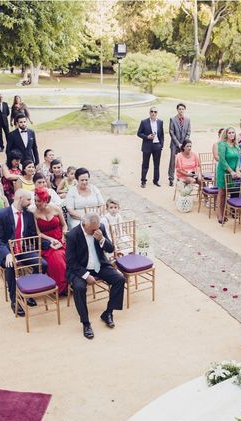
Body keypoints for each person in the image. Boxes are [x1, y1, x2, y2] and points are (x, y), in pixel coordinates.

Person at [66, 212, 125, 340]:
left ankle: (108, 312)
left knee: (119, 279)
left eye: (97, 228)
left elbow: (110, 249)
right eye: (93, 229)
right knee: (79, 288)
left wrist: (102, 239)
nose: (96, 230)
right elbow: (71, 261)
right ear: (84, 224)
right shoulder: (72, 235)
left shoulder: (100, 228)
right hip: (80, 269)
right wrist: (86, 275)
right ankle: (86, 323)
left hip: (99, 265)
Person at [0, 189, 48, 315]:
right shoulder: (2, 214)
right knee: (11, 266)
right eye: (28, 199)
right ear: (20, 198)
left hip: (22, 250)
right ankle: (15, 300)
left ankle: (29, 290)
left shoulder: (28, 215)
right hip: (6, 251)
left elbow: (33, 236)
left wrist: (51, 243)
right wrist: (7, 254)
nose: (31, 202)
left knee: (43, 264)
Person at [34, 187, 68, 293]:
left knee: (70, 255)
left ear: (46, 200)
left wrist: (63, 238)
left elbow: (64, 225)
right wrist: (51, 240)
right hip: (47, 244)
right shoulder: (34, 213)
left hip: (60, 239)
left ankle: (75, 281)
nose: (36, 203)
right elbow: (38, 233)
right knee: (57, 259)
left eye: (39, 201)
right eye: (35, 200)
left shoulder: (56, 208)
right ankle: (63, 288)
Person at [216, 127, 241, 224]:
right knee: (222, 193)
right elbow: (222, 159)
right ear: (226, 134)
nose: (231, 134)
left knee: (227, 193)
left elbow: (238, 159)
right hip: (224, 172)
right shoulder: (222, 144)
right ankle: (220, 215)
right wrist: (231, 171)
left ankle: (224, 212)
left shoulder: (236, 145)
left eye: (233, 132)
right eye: (229, 133)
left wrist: (237, 170)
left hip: (233, 172)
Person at [137, 106, 164, 188]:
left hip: (157, 146)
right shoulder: (144, 122)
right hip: (147, 146)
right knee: (145, 164)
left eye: (155, 112)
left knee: (157, 165)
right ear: (149, 113)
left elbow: (162, 134)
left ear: (157, 113)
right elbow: (139, 133)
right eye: (152, 111)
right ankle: (143, 181)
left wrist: (161, 145)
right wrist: (147, 137)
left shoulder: (160, 122)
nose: (153, 113)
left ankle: (156, 181)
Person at [168, 103, 190, 187]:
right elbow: (171, 132)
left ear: (184, 110)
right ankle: (171, 179)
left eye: (182, 109)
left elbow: (188, 132)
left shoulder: (188, 120)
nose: (181, 110)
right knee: (173, 162)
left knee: (183, 162)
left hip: (184, 145)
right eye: (179, 109)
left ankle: (182, 178)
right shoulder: (172, 119)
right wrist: (178, 143)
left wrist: (184, 144)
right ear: (177, 110)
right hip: (174, 144)